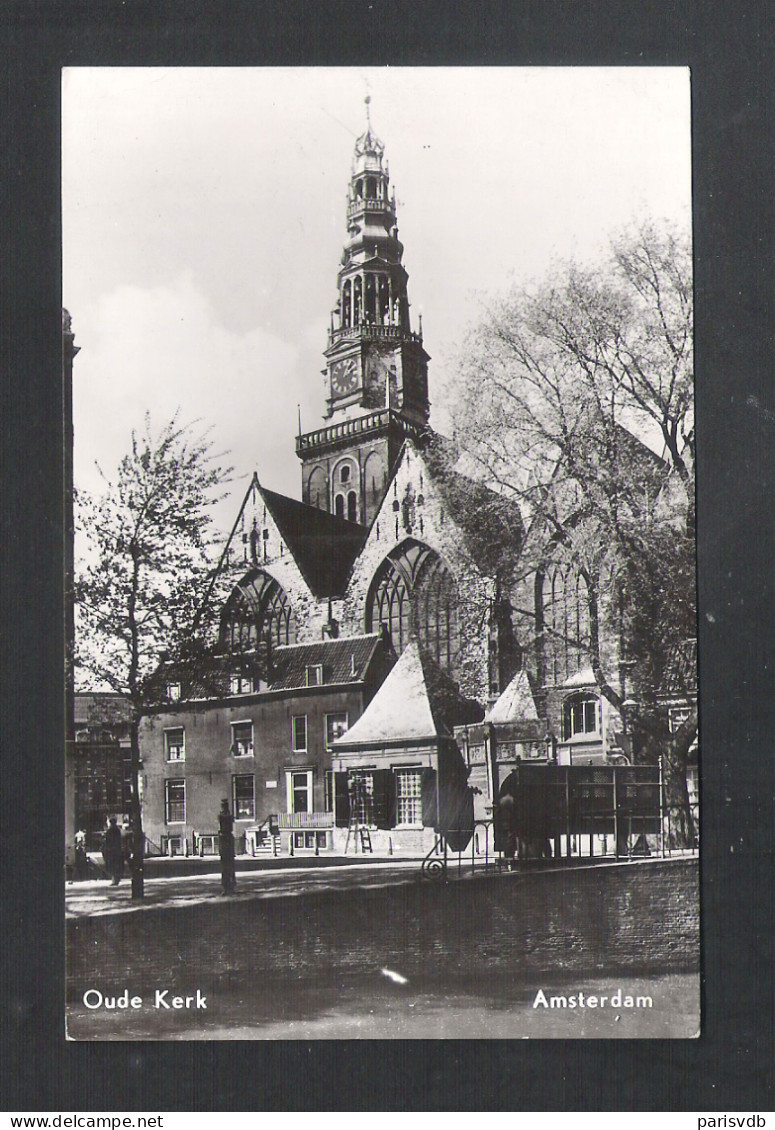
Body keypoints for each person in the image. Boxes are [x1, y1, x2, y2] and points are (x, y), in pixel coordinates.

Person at [218, 799, 237, 894]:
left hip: (226, 840)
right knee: (227, 865)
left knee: (227, 865)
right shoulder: (228, 816)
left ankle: (228, 886)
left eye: (224, 806)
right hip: (226, 840)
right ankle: (228, 886)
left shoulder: (223, 816)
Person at [102, 816, 124, 886]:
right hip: (117, 849)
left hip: (111, 850)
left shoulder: (110, 830)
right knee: (116, 865)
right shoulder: (117, 830)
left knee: (112, 865)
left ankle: (114, 879)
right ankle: (116, 879)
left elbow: (107, 841)